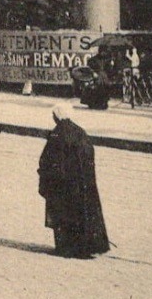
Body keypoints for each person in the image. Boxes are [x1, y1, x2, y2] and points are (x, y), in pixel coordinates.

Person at [37, 104, 111, 259]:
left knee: (62, 214)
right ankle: (85, 246)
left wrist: (46, 176)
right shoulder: (79, 131)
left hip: (63, 184)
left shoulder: (57, 134)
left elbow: (48, 159)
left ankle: (65, 248)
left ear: (56, 117)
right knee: (82, 213)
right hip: (82, 182)